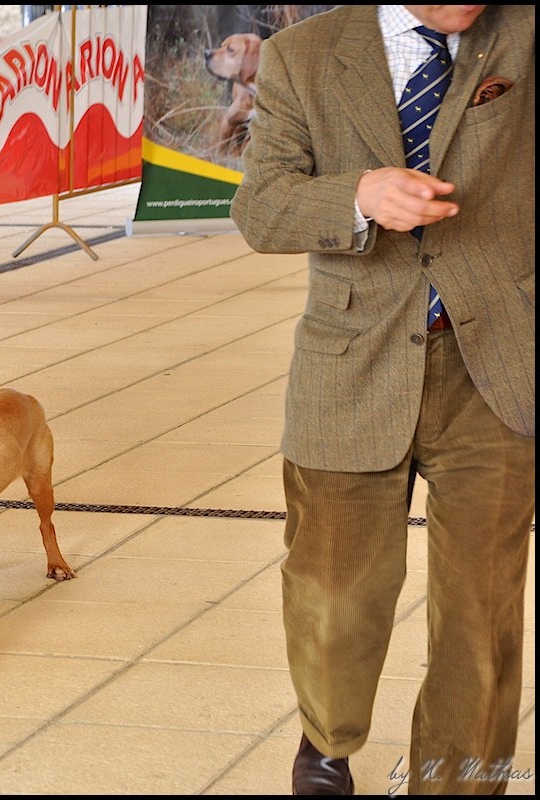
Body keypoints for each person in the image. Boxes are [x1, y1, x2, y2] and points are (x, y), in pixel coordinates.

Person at [231, 5, 534, 795]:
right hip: (350, 360)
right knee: (333, 594)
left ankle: (459, 779)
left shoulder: (522, 34)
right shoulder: (301, 56)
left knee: (482, 613)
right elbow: (260, 208)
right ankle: (326, 738)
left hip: (497, 365)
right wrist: (357, 196)